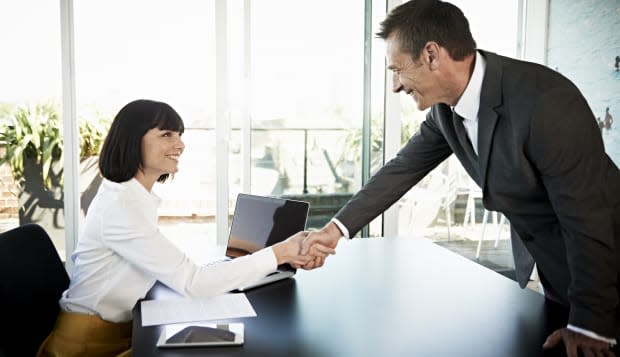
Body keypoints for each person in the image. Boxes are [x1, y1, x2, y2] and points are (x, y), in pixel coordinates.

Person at [301, 1, 620, 356]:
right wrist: (334, 230)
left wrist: (590, 322)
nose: (395, 86)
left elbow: (589, 218)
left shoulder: (545, 102)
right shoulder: (445, 112)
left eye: (398, 70)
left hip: (606, 269)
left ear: (432, 55)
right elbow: (400, 170)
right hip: (561, 274)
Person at [36, 99, 333, 356]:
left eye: (179, 135)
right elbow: (194, 283)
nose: (179, 144)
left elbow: (172, 270)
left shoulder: (130, 197)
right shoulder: (121, 208)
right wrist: (279, 252)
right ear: (132, 140)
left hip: (113, 333)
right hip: (86, 347)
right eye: (166, 134)